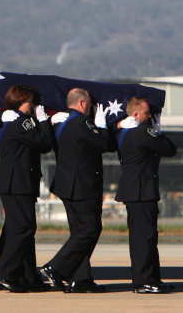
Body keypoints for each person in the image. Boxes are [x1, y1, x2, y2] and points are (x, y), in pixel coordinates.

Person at [40, 88, 112, 293]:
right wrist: (102, 126)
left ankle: (80, 279)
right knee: (90, 230)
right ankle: (55, 267)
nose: (91, 108)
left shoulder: (63, 124)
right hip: (82, 186)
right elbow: (103, 144)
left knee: (79, 232)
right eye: (90, 104)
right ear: (81, 103)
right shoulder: (82, 123)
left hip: (68, 185)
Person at [0, 84, 53, 293]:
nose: (33, 105)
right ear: (21, 102)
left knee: (19, 230)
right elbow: (44, 143)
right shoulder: (21, 122)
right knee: (23, 229)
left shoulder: (8, 122)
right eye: (30, 102)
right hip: (18, 183)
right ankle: (5, 274)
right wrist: (42, 120)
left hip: (13, 183)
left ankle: (25, 276)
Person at [115, 97, 177, 294]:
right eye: (147, 112)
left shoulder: (123, 132)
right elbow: (170, 149)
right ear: (135, 114)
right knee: (145, 237)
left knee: (142, 237)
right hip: (142, 190)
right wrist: (158, 133)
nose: (150, 116)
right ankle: (144, 281)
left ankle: (149, 278)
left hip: (134, 190)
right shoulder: (142, 132)